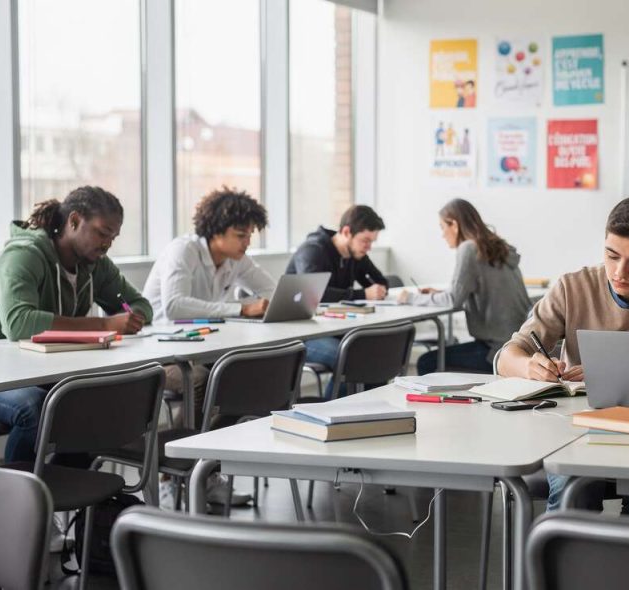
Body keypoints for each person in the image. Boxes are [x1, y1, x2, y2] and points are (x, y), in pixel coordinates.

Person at [497, 195, 629, 518]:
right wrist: (529, 365)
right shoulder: (573, 287)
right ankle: (571, 568)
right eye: (612, 256)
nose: (619, 272)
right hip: (579, 431)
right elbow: (505, 357)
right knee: (573, 489)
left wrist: (612, 373)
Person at [0, 186, 150, 462]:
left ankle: (74, 496)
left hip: (34, 372)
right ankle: (18, 500)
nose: (107, 244)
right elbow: (19, 324)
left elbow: (141, 305)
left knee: (91, 400)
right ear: (73, 221)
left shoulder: (95, 264)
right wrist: (104, 325)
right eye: (102, 232)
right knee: (34, 408)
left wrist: (132, 316)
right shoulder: (23, 256)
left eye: (113, 237)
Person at [142, 186, 273, 508]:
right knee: (200, 380)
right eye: (241, 235)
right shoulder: (183, 251)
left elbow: (270, 289)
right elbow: (175, 306)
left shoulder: (234, 259)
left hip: (206, 348)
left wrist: (269, 301)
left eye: (249, 235)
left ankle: (206, 470)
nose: (247, 242)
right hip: (160, 353)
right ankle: (178, 476)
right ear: (215, 231)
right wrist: (241, 308)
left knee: (244, 378)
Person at [398, 198, 531, 374]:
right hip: (519, 346)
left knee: (426, 362)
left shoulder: (469, 248)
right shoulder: (497, 247)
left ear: (454, 224)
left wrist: (410, 297)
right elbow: (470, 290)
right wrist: (441, 293)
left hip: (496, 351)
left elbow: (453, 300)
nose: (442, 234)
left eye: (442, 227)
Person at [286, 205, 389, 398]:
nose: (368, 247)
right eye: (366, 241)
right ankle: (330, 414)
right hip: (305, 332)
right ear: (347, 232)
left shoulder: (355, 254)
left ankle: (370, 413)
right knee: (351, 357)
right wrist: (364, 294)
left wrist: (374, 287)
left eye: (372, 242)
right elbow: (316, 296)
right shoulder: (313, 251)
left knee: (376, 356)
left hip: (336, 329)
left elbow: (380, 281)